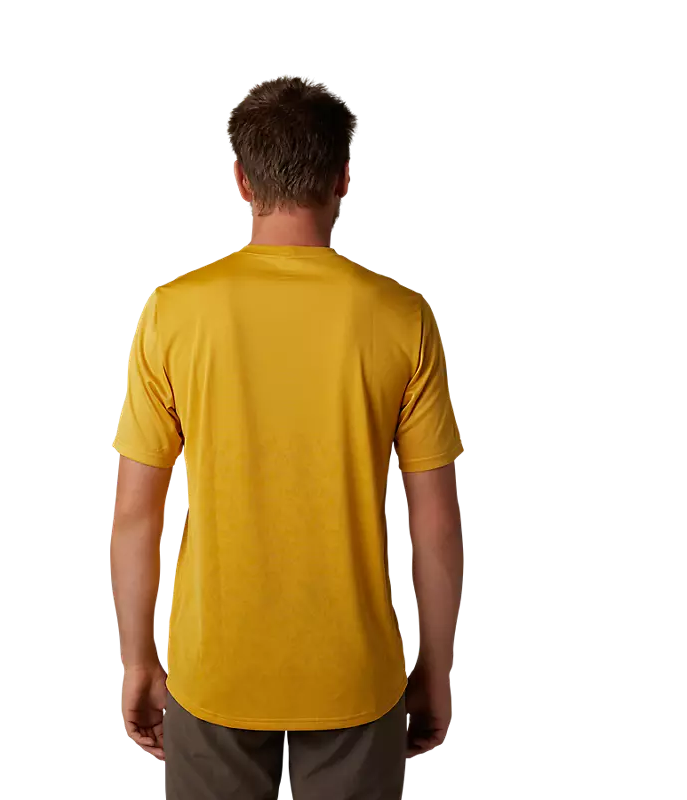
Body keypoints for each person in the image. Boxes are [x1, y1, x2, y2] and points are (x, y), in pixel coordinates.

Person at [109, 73, 465, 800]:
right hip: (355, 675)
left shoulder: (174, 312)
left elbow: (135, 514)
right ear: (344, 178)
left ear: (241, 180)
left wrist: (137, 659)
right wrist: (437, 665)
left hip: (214, 671)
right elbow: (435, 519)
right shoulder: (402, 316)